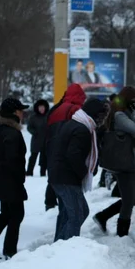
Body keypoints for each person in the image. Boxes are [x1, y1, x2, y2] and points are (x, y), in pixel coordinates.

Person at [50, 99, 107, 241]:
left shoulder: (75, 123)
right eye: (101, 116)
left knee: (68, 213)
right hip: (66, 178)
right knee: (77, 214)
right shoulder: (82, 129)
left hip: (60, 175)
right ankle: (66, 248)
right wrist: (83, 173)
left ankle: (58, 245)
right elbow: (73, 155)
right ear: (95, 115)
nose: (102, 120)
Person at [0, 98, 30, 260]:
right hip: (10, 179)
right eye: (21, 110)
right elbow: (11, 159)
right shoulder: (11, 133)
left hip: (3, 178)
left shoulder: (3, 129)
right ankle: (9, 250)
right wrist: (17, 179)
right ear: (14, 112)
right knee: (16, 214)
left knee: (7, 213)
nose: (23, 113)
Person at [93, 86, 135, 237]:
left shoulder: (117, 111)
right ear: (130, 100)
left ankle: (103, 216)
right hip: (123, 162)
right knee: (129, 200)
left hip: (123, 159)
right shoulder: (119, 115)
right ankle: (122, 233)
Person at [44, 84, 87, 211]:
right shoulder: (76, 109)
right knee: (73, 209)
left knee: (54, 176)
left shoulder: (57, 108)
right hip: (66, 151)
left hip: (52, 147)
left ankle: (50, 202)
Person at [26, 99, 50, 176]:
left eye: (43, 107)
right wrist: (34, 132)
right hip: (36, 140)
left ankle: (42, 173)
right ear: (37, 108)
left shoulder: (49, 116)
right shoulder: (33, 117)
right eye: (40, 107)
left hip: (45, 141)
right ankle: (29, 172)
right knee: (33, 157)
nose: (42, 109)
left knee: (44, 158)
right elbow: (29, 127)